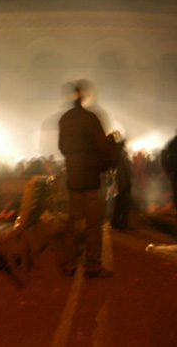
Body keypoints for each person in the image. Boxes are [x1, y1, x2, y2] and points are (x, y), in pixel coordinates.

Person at [58, 80, 113, 278]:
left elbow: (62, 148)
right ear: (85, 96)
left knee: (73, 221)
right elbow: (102, 145)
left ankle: (69, 263)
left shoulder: (65, 119)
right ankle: (93, 265)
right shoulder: (91, 118)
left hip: (73, 177)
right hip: (90, 177)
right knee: (92, 223)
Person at [109, 132, 133, 231]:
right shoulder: (115, 151)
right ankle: (120, 222)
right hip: (121, 180)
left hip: (123, 180)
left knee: (121, 202)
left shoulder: (116, 152)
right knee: (123, 202)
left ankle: (118, 222)